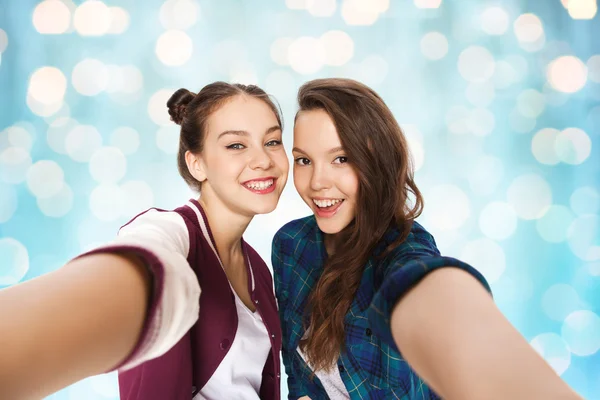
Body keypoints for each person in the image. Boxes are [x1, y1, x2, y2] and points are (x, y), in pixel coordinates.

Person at [272, 78, 582, 400]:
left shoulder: (401, 251)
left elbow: (425, 288)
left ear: (375, 162)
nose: (317, 182)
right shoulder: (291, 245)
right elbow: (299, 376)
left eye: (341, 159)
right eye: (304, 160)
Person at [0, 82, 289, 400]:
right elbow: (146, 261)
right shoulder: (169, 232)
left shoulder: (259, 269)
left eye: (272, 141)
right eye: (236, 145)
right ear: (197, 163)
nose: (263, 160)